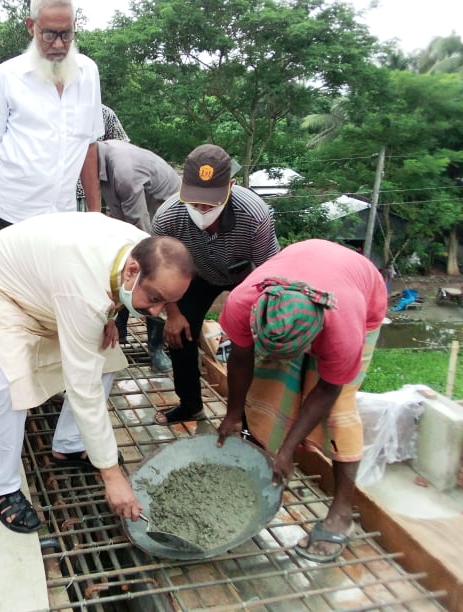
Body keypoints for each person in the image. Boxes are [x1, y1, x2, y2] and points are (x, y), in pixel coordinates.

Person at [0, 212, 193, 533]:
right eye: (154, 299)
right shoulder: (82, 289)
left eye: (166, 304)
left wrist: (111, 316)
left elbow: (109, 286)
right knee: (13, 382)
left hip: (46, 283)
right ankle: (2, 489)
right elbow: (83, 387)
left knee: (106, 358)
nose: (156, 312)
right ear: (132, 271)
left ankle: (68, 444)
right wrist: (111, 476)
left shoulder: (142, 250)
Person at [216, 239, 388, 563]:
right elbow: (241, 358)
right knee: (268, 388)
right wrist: (233, 414)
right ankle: (264, 468)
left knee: (339, 413)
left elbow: (328, 390)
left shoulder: (344, 329)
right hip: (307, 267)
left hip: (360, 295)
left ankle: (342, 515)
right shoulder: (243, 301)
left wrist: (287, 450)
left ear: (315, 336)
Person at [151, 144, 280, 425]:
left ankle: (245, 418)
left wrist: (243, 322)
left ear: (230, 186)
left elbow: (269, 274)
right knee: (179, 335)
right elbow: (162, 271)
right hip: (197, 274)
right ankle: (190, 406)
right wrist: (173, 313)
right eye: (195, 201)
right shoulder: (167, 217)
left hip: (246, 277)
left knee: (251, 342)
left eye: (210, 203)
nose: (202, 209)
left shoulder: (254, 214)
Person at [0, 0, 103, 249]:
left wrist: (95, 216)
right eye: (49, 34)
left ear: (74, 25)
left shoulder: (88, 73)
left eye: (66, 34)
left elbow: (89, 147)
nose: (58, 44)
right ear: (31, 26)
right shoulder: (7, 75)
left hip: (63, 217)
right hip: (10, 215)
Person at [98, 138, 181, 371]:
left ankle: (156, 348)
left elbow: (142, 231)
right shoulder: (103, 164)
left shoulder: (124, 171)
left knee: (151, 277)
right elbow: (117, 211)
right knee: (119, 269)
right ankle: (120, 332)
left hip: (163, 225)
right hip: (141, 220)